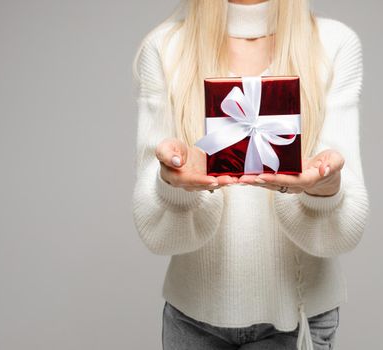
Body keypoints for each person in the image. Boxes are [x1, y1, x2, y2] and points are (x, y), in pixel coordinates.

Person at [131, 0, 370, 349]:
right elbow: (156, 234)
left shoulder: (333, 44)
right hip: (192, 320)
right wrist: (174, 186)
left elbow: (345, 232)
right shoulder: (166, 47)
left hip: (297, 318)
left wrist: (324, 189)